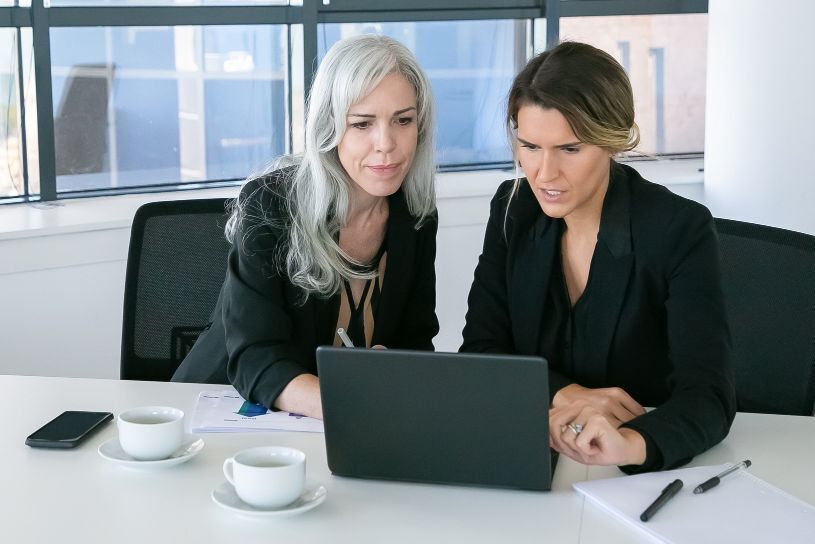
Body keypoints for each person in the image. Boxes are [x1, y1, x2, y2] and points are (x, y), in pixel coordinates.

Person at [460, 41, 736, 473]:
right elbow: (481, 352)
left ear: (612, 141)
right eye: (530, 146)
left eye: (569, 149)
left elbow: (709, 395)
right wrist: (564, 394)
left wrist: (628, 445)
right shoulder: (513, 209)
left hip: (639, 472)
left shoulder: (679, 229)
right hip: (540, 451)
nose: (544, 174)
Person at [172, 35, 439, 420]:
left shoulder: (415, 216)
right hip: (221, 414)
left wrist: (392, 366)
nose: (386, 143)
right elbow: (255, 357)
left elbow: (416, 340)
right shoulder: (271, 204)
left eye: (403, 120)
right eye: (362, 123)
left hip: (325, 424)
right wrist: (351, 405)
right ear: (330, 127)